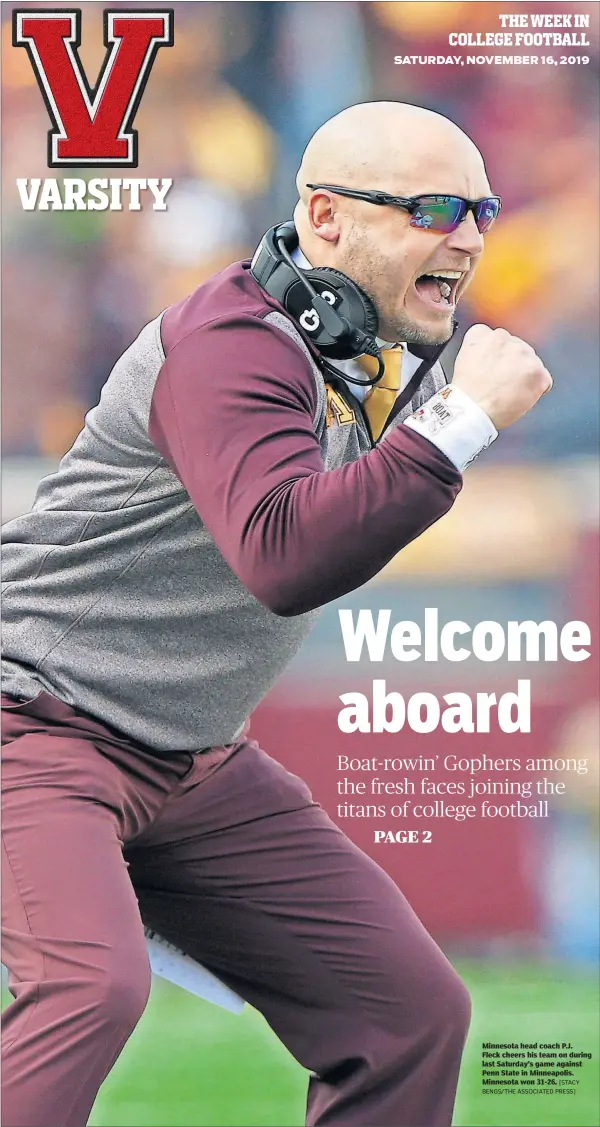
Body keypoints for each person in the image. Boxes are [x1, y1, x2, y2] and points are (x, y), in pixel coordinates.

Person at [1, 101, 551, 1127]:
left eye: (480, 206)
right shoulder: (231, 341)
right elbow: (283, 553)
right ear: (326, 219)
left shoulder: (376, 349)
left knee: (408, 1012)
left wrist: (444, 420)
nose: (470, 235)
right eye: (431, 207)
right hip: (30, 723)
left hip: (187, 755)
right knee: (88, 987)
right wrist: (460, 422)